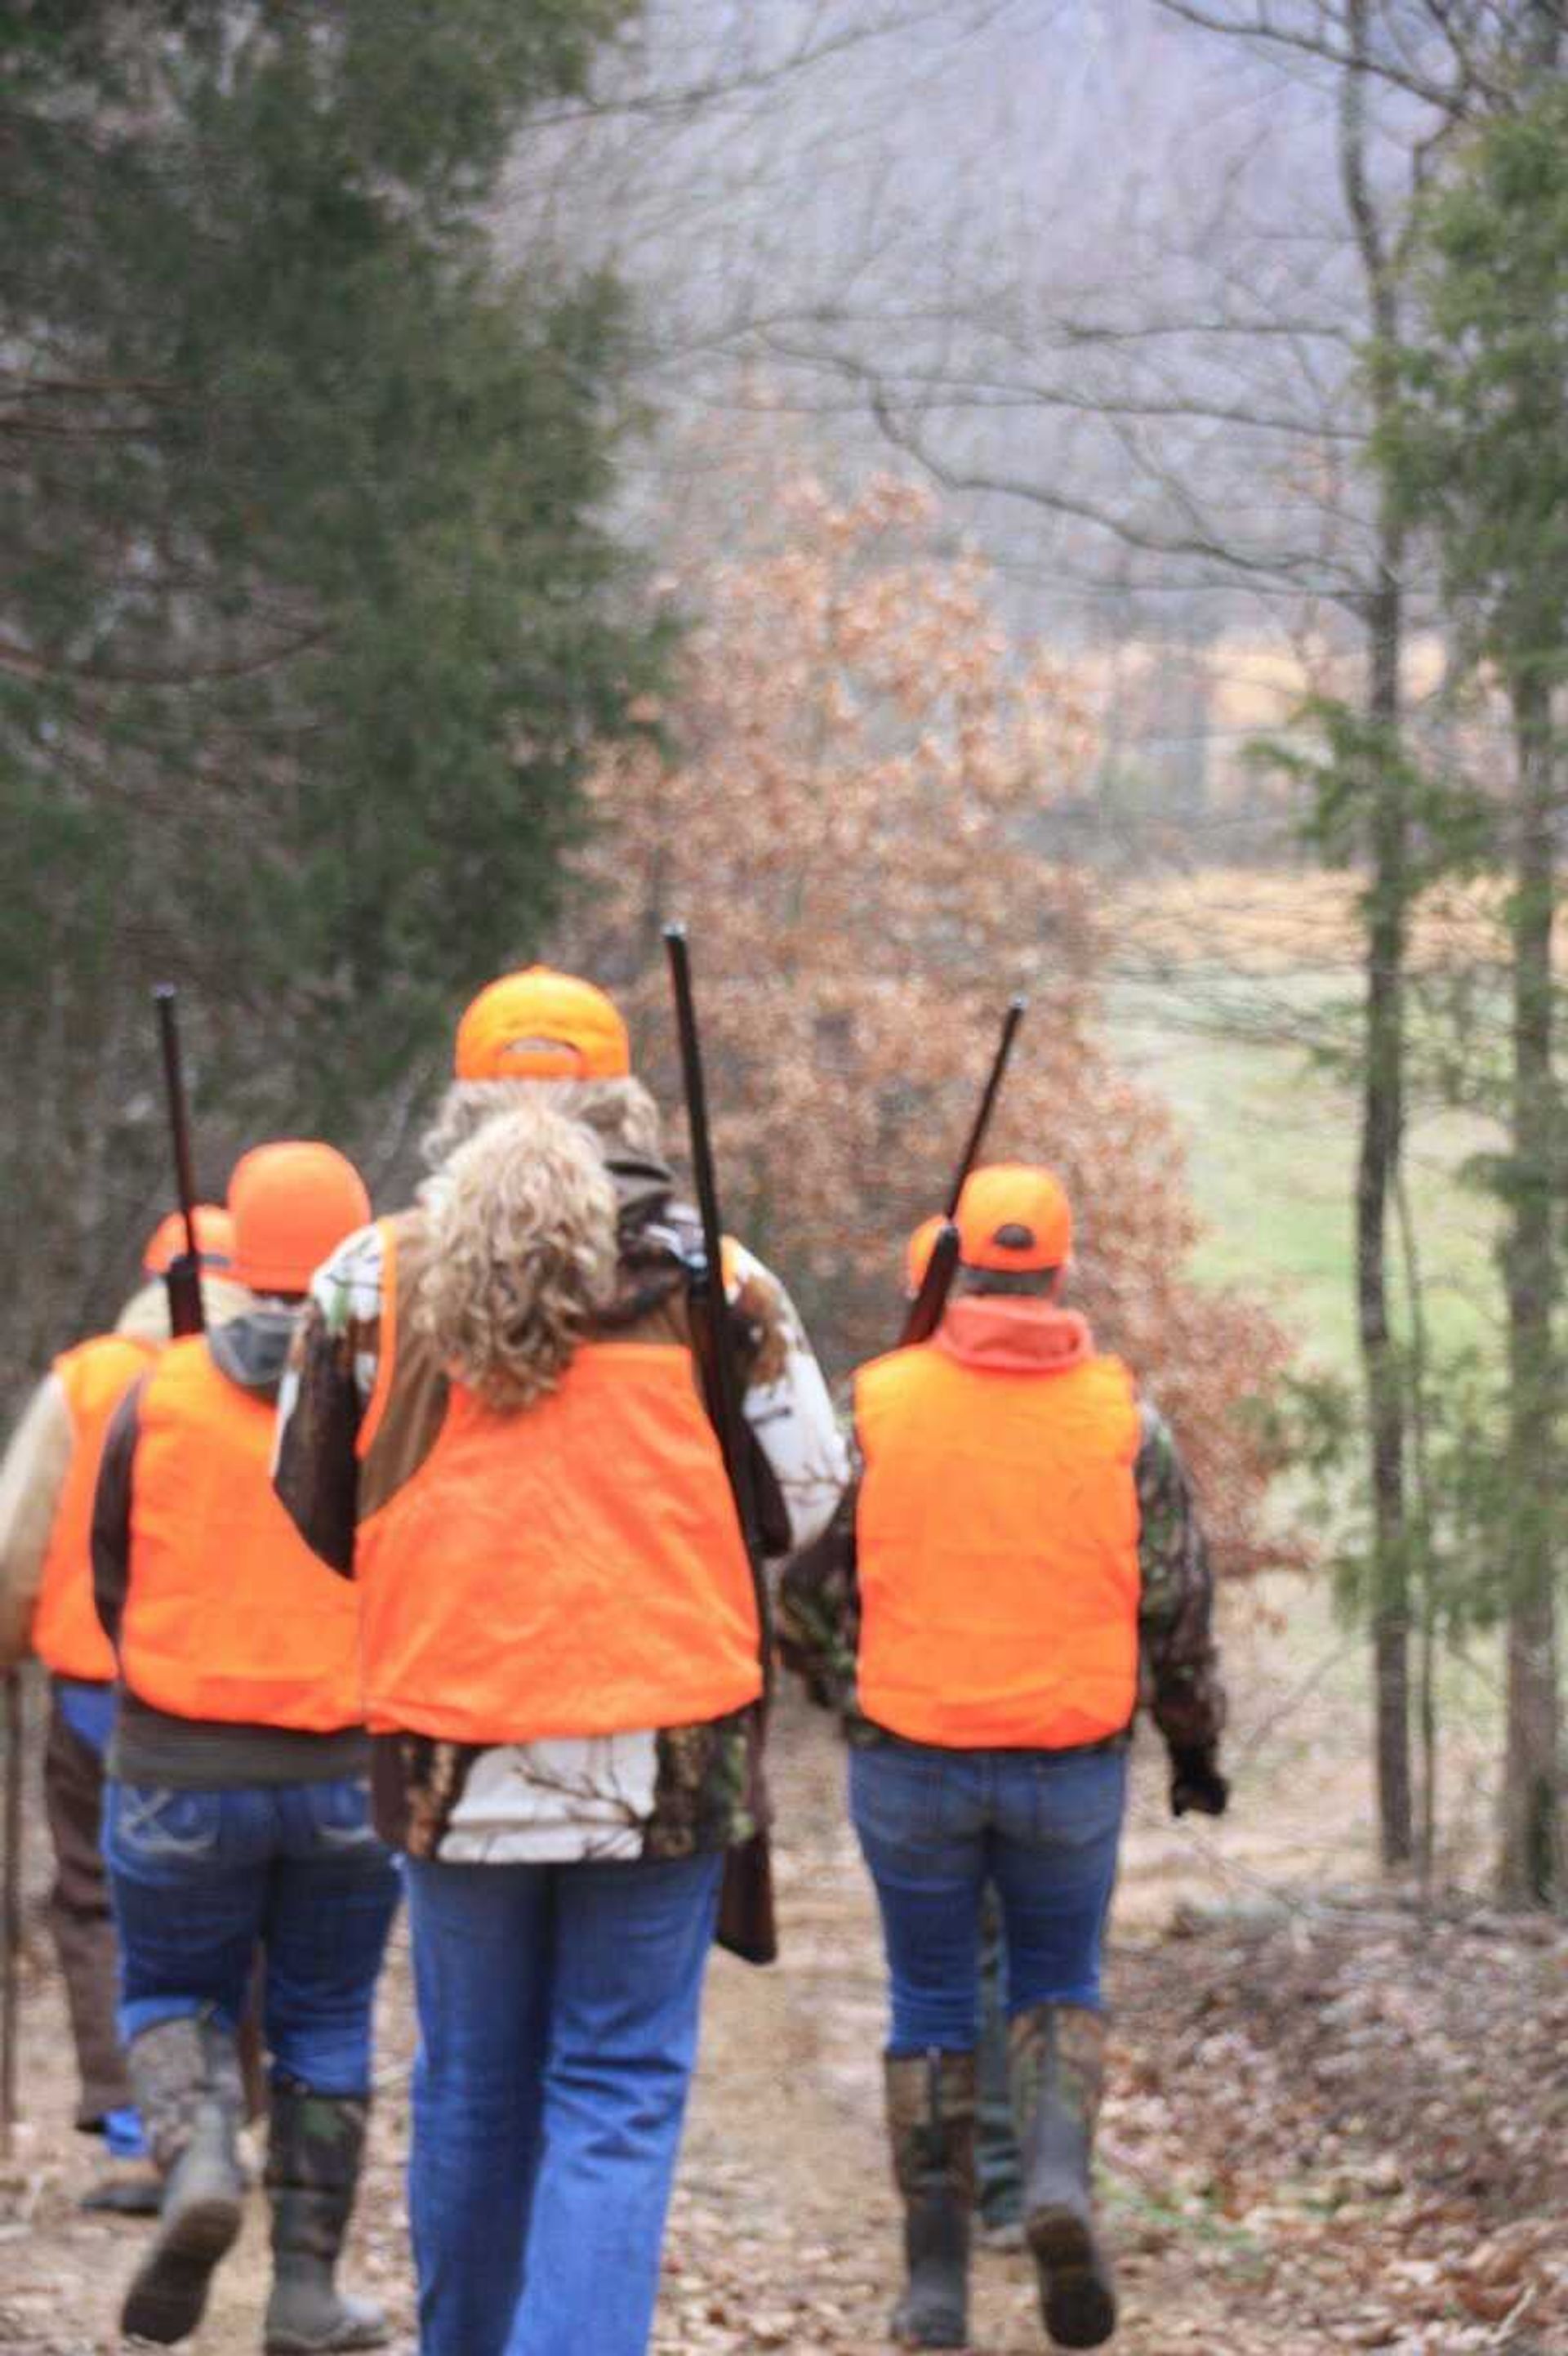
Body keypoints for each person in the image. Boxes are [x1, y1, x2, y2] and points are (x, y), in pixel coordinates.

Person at [274, 966, 846, 2356]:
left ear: (465, 1107)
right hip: (664, 1741)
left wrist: (435, 1578)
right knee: (619, 2082)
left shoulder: (370, 1273)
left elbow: (306, 1493)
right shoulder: (719, 1277)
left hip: (448, 1739)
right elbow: (817, 1489)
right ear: (627, 1103)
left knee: (471, 2077)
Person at [780, 1163, 1230, 2352]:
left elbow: (804, 1592)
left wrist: (850, 1687)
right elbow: (1177, 1607)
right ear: (1062, 1271)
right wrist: (1193, 1747)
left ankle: (934, 2290)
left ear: (949, 1266)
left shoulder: (876, 1403)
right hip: (1069, 1762)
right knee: (1058, 1984)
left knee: (929, 1999)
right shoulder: (1126, 1421)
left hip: (913, 1755)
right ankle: (1056, 2187)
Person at [93, 1144, 399, 2352]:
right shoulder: (389, 1395)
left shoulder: (154, 1390)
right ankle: (305, 2292)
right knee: (326, 2021)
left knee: (173, 1991)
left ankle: (202, 2155)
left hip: (178, 1765)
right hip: (340, 1772)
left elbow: (116, 1577)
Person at [0, 1204, 243, 2212]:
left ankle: (144, 2131)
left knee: (102, 1898)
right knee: (239, 1901)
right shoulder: (280, 1372)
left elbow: (21, 1535)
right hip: (252, 1696)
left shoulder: (92, 1376)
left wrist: (7, 1643)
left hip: (102, 1694)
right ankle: (228, 2120)